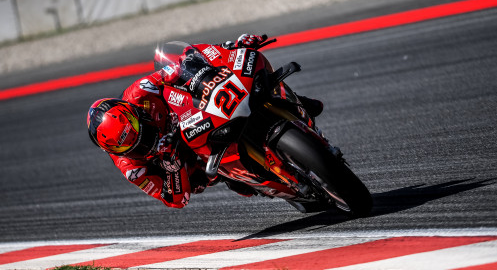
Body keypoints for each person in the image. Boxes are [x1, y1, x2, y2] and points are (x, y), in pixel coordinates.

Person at [87, 34, 323, 208]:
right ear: (115, 151)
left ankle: (293, 101)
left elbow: (180, 65)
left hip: (193, 115)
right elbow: (175, 200)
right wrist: (173, 167)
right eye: (131, 146)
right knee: (217, 181)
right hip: (190, 161)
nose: (141, 141)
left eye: (139, 130)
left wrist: (227, 50)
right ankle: (254, 179)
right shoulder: (132, 169)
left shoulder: (140, 92)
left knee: (251, 82)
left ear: (133, 112)